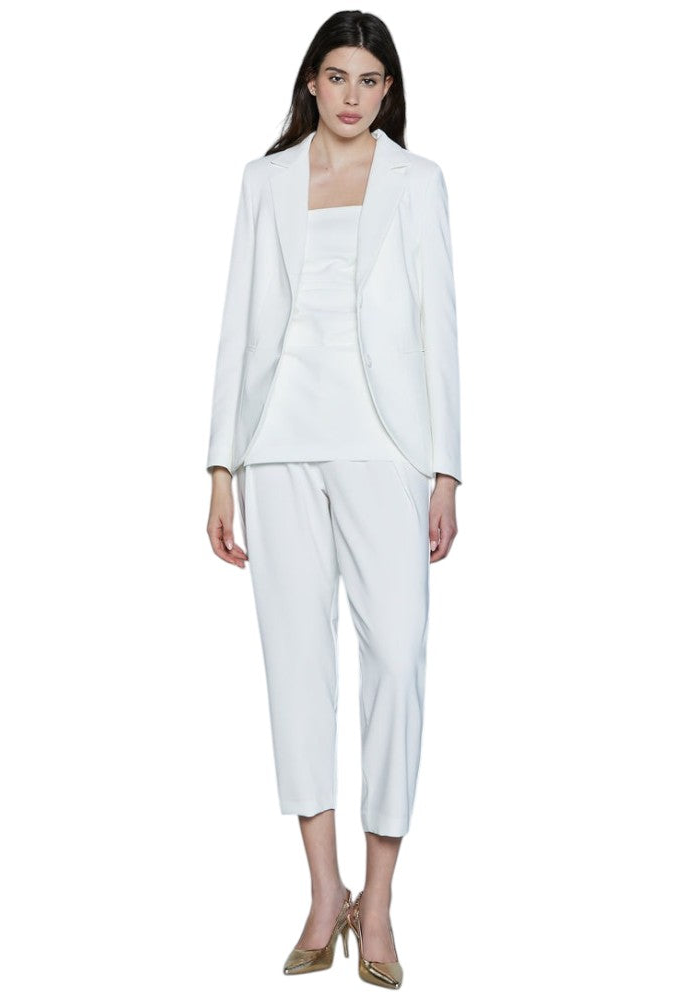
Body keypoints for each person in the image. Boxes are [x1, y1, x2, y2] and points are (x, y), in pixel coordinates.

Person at [204, 11, 461, 989]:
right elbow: (237, 322)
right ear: (310, 81)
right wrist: (220, 466)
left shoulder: (417, 183)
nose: (353, 95)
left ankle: (379, 899)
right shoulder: (263, 181)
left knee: (396, 653)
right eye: (338, 76)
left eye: (370, 80)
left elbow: (440, 328)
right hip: (275, 448)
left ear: (388, 92)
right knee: (295, 665)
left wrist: (446, 469)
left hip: (385, 448)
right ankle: (324, 892)